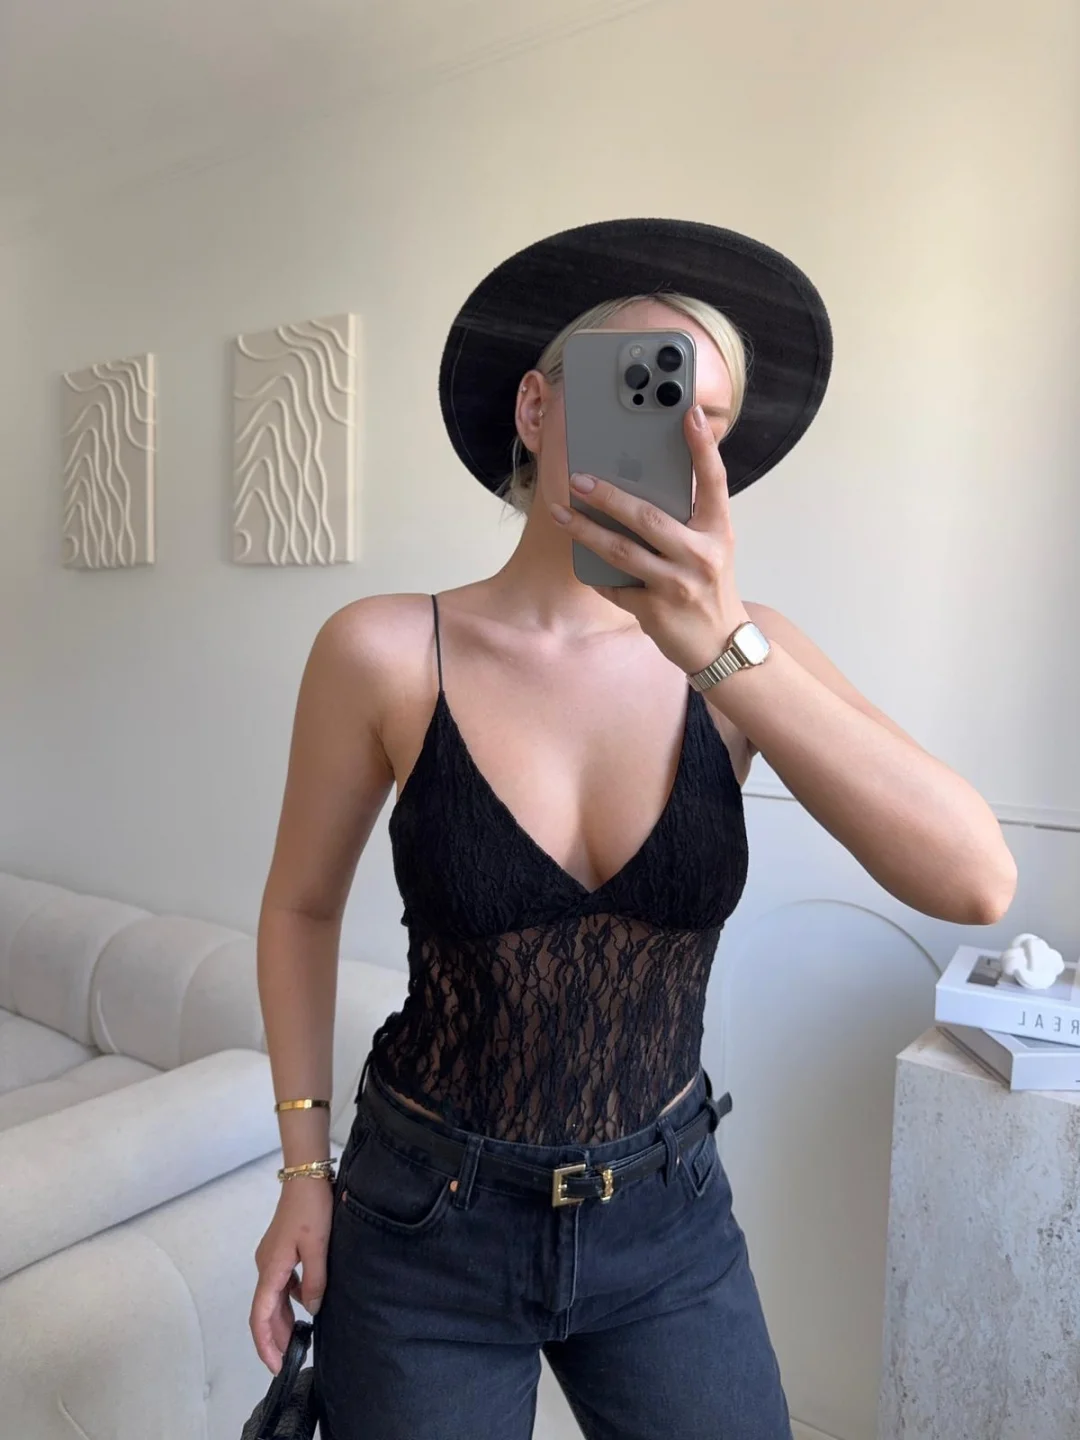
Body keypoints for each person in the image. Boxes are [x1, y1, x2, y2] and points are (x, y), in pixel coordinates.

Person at [248, 219, 1017, 1439]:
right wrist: (302, 1174)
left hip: (666, 1221)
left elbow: (977, 878)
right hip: (425, 1217)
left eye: (709, 417)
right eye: (646, 391)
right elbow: (299, 908)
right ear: (539, 406)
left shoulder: (747, 657)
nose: (680, 437)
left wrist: (723, 650)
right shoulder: (386, 652)